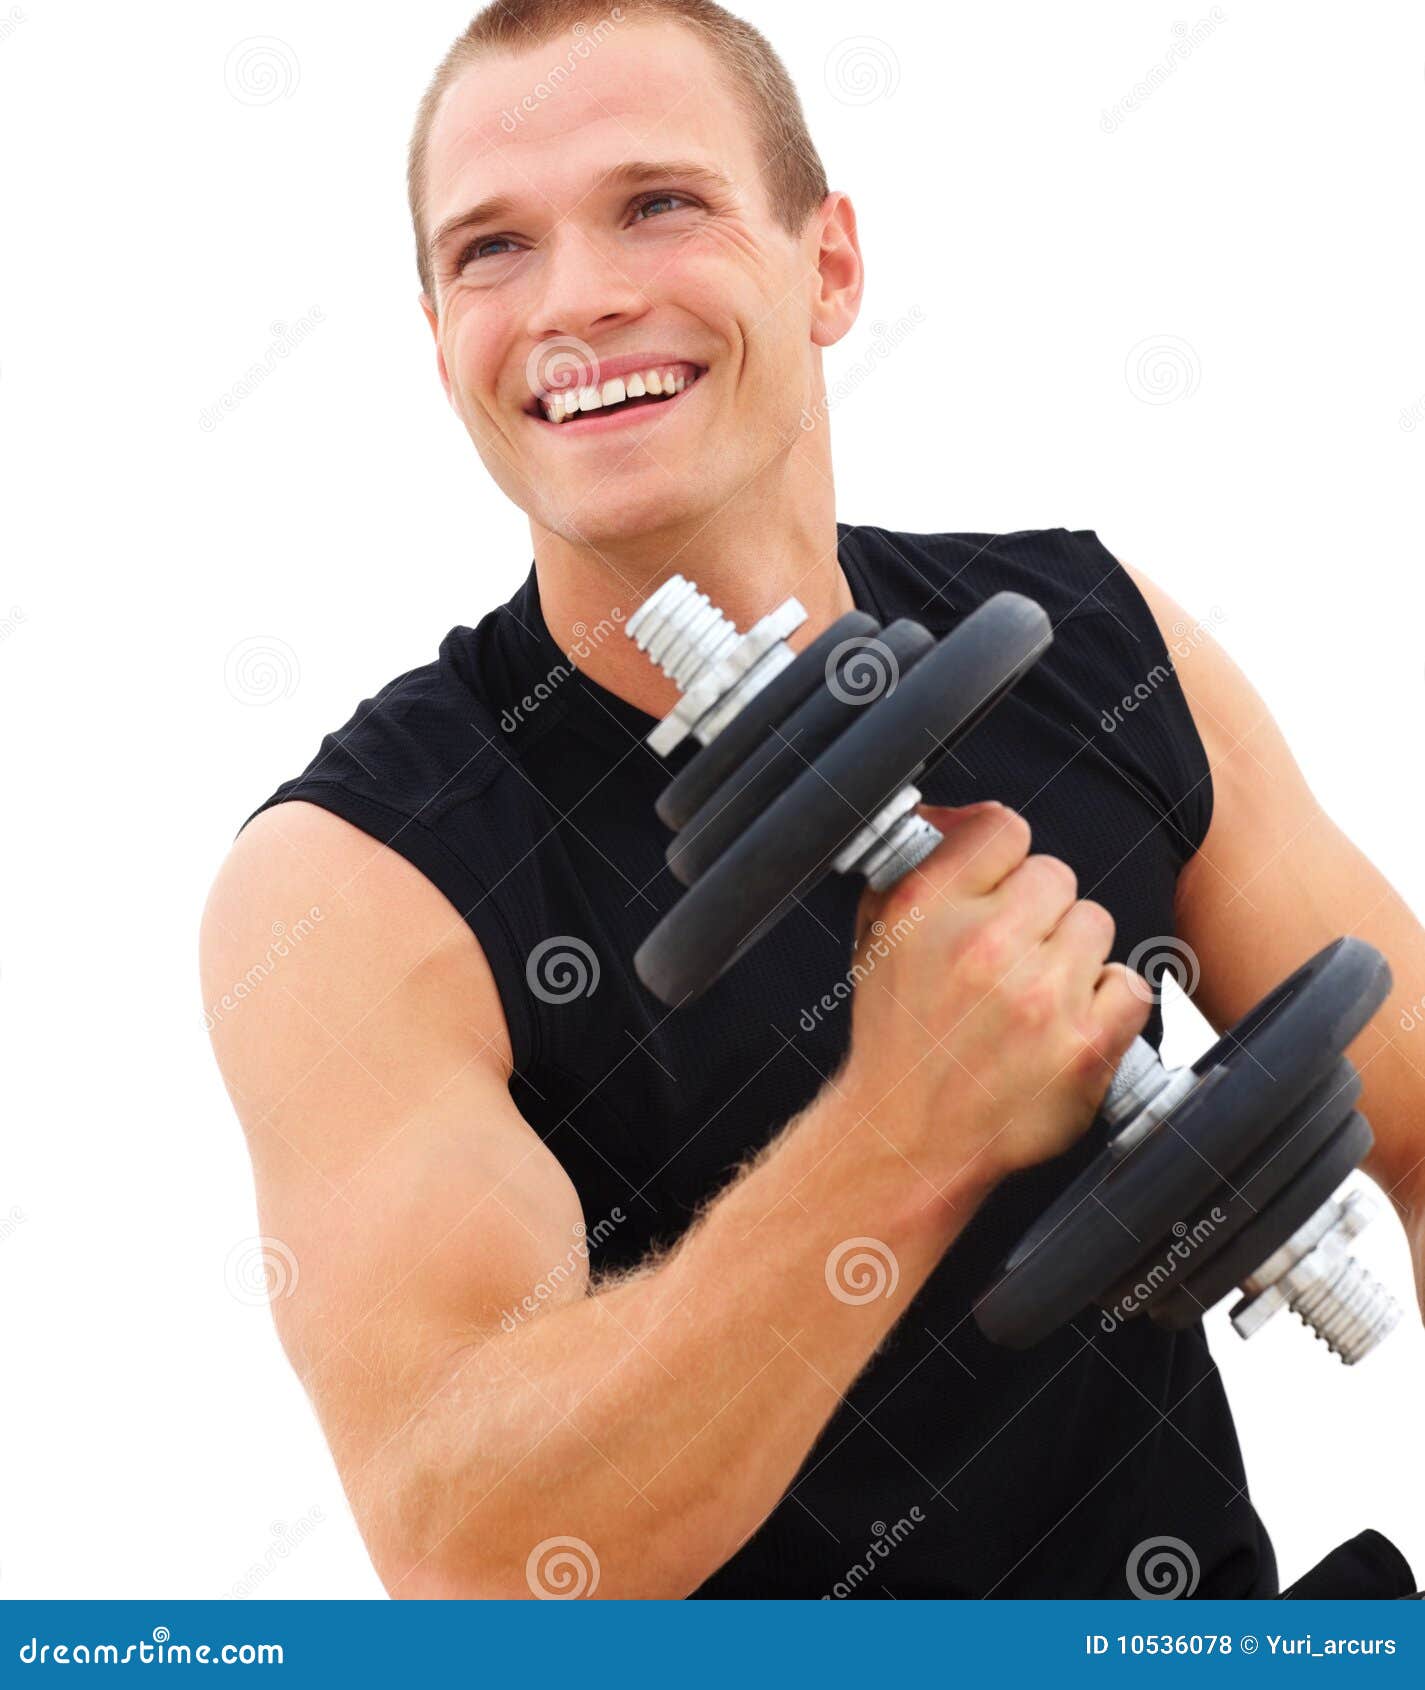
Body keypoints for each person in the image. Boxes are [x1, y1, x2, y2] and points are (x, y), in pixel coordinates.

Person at [199, 0, 1425, 1599]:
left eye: (658, 202)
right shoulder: (354, 881)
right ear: (442, 346)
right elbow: (476, 1558)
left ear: (828, 265)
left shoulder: (1095, 638)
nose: (574, 300)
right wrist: (904, 1125)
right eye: (491, 249)